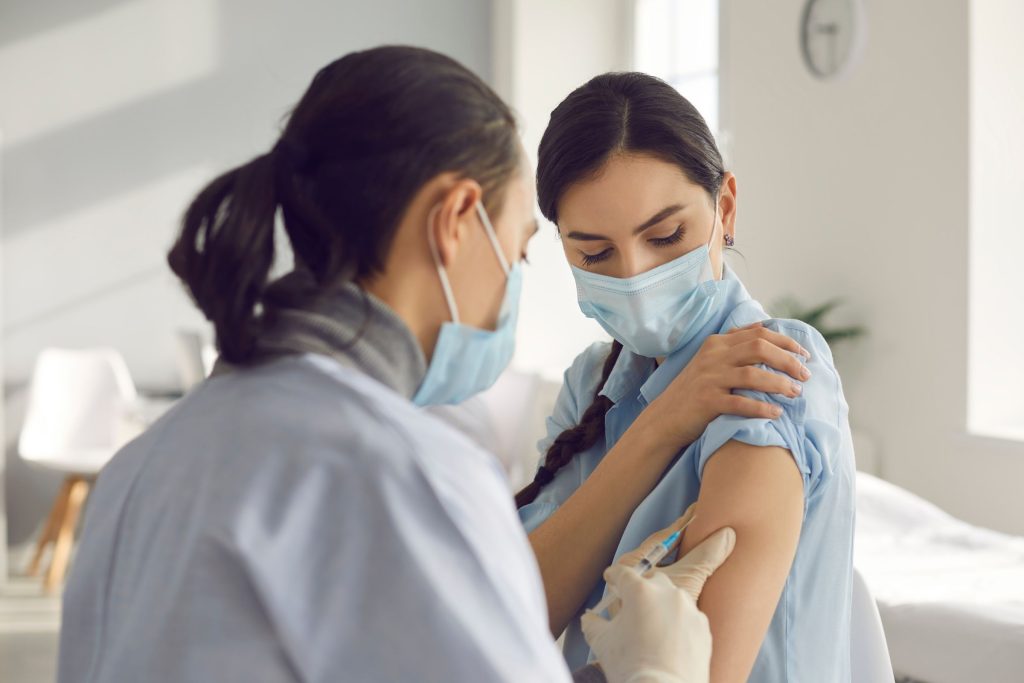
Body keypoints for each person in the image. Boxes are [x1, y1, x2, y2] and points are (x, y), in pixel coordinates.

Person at [56, 47, 740, 683]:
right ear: (456, 220)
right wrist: (657, 670)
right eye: (520, 249)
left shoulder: (138, 467)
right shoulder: (402, 472)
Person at [517, 72, 857, 682]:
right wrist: (663, 425)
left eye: (666, 236)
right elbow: (517, 617)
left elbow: (706, 671)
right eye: (594, 253)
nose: (635, 276)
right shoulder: (591, 382)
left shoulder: (770, 364)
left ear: (724, 208)